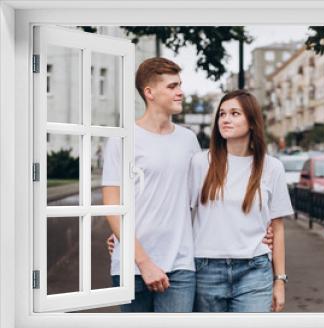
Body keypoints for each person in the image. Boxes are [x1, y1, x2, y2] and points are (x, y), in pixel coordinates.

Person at [103, 58, 273, 312]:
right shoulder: (122, 140)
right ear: (149, 92)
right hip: (131, 265)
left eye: (180, 85)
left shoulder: (188, 140)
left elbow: (205, 201)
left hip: (181, 265)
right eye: (172, 86)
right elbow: (113, 205)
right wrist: (137, 253)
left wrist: (256, 229)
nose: (180, 92)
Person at [189, 90, 294, 312]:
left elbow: (278, 228)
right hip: (206, 269)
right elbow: (180, 216)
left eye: (235, 113)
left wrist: (280, 280)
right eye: (222, 114)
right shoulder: (200, 163)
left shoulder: (272, 167)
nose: (226, 119)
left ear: (252, 122)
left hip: (254, 270)